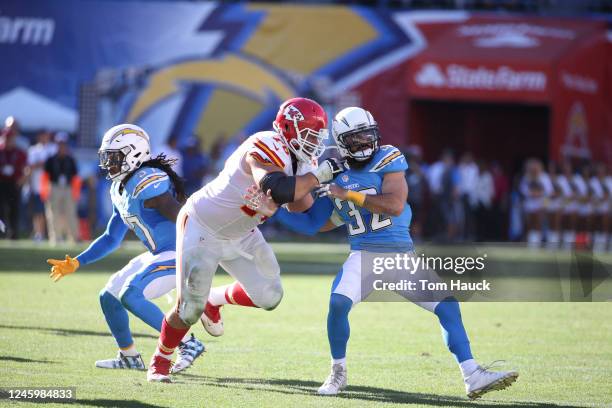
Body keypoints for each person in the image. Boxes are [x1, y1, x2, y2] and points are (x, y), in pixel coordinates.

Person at [246, 107, 518, 399]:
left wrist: (347, 193)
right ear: (341, 141)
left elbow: (394, 205)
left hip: (400, 256)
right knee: (338, 304)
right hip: (363, 256)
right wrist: (273, 212)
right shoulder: (333, 171)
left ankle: (472, 374)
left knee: (448, 306)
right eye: (356, 138)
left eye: (367, 135)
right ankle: (337, 372)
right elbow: (315, 223)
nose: (365, 142)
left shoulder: (387, 157)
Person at [147, 97, 345, 382]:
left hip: (242, 233)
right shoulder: (265, 143)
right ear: (289, 129)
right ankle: (160, 361)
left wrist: (344, 204)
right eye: (309, 135)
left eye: (317, 137)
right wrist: (318, 176)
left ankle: (214, 299)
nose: (314, 143)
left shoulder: (305, 162)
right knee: (189, 309)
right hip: (203, 226)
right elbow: (275, 188)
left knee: (270, 295)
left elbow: (309, 216)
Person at [46, 124, 205, 373]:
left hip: (180, 253)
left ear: (134, 154)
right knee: (109, 297)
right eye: (107, 157)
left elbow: (182, 215)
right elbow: (111, 237)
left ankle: (187, 343)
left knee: (130, 294)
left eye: (114, 157)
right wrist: (77, 262)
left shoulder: (148, 180)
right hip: (160, 253)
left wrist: (201, 246)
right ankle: (129, 356)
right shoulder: (120, 188)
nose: (108, 164)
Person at [42, 133, 80, 244]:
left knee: (71, 213)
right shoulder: (50, 159)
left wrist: (76, 192)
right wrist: (44, 191)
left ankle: (74, 237)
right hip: (54, 187)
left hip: (68, 188)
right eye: (60, 144)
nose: (62, 146)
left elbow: (75, 177)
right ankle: (55, 238)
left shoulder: (70, 159)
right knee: (53, 213)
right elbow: (44, 177)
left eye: (63, 144)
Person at [27, 130, 57, 241]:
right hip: (37, 185)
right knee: (38, 211)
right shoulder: (33, 150)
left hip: (51, 186)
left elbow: (52, 165)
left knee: (51, 211)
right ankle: (39, 233)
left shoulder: (53, 148)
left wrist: (41, 164)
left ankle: (51, 234)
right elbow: (30, 166)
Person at [0, 124, 27, 239]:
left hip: (14, 183)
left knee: (14, 210)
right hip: (1, 183)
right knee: (1, 209)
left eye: (10, 138)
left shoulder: (19, 152)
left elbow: (26, 168)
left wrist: (21, 181)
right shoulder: (1, 151)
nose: (8, 141)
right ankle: (1, 233)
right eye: (6, 138)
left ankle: (13, 233)